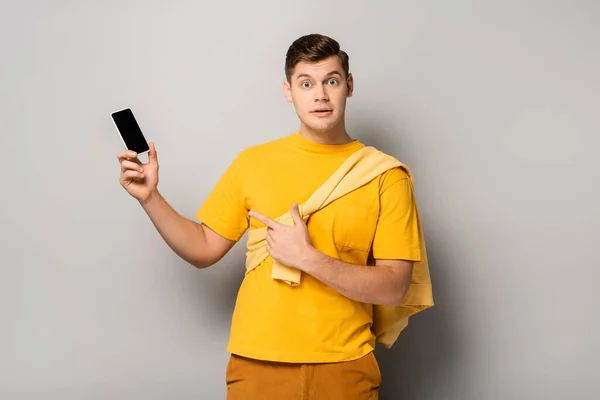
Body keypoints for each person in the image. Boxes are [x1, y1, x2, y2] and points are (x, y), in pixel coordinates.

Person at [117, 33, 426, 399]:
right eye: (306, 83)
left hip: (344, 365)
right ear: (288, 90)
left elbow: (394, 287)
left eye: (332, 80)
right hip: (256, 364)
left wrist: (307, 258)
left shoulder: (384, 175)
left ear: (349, 85)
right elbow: (202, 248)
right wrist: (150, 198)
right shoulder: (253, 163)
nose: (321, 95)